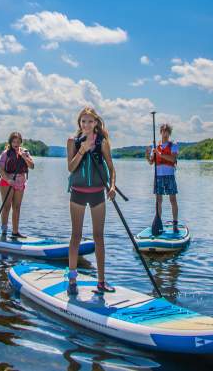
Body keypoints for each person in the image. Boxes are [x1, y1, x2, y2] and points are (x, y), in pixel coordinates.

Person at [66, 107, 117, 296]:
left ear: (96, 123)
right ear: (79, 123)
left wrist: (112, 187)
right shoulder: (72, 141)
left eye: (90, 121)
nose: (86, 125)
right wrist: (82, 150)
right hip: (78, 193)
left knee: (99, 237)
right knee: (76, 236)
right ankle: (72, 279)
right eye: (83, 122)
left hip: (97, 193)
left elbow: (111, 168)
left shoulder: (102, 143)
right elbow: (71, 168)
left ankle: (101, 281)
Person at [0, 132, 34, 239]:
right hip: (7, 181)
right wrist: (8, 180)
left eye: (18, 142)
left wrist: (24, 157)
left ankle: (15, 232)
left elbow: (32, 166)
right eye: (14, 141)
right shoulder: (5, 154)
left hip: (20, 181)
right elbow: (1, 169)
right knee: (6, 206)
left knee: (17, 207)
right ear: (10, 142)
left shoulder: (25, 152)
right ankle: (4, 231)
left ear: (21, 142)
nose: (16, 144)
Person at [145, 123, 179, 230]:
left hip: (169, 175)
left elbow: (173, 159)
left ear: (169, 133)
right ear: (160, 132)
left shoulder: (173, 145)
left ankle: (175, 223)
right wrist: (147, 155)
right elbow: (151, 162)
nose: (165, 133)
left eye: (167, 131)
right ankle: (158, 221)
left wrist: (159, 154)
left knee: (172, 200)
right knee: (158, 200)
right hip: (158, 176)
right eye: (163, 131)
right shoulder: (156, 146)